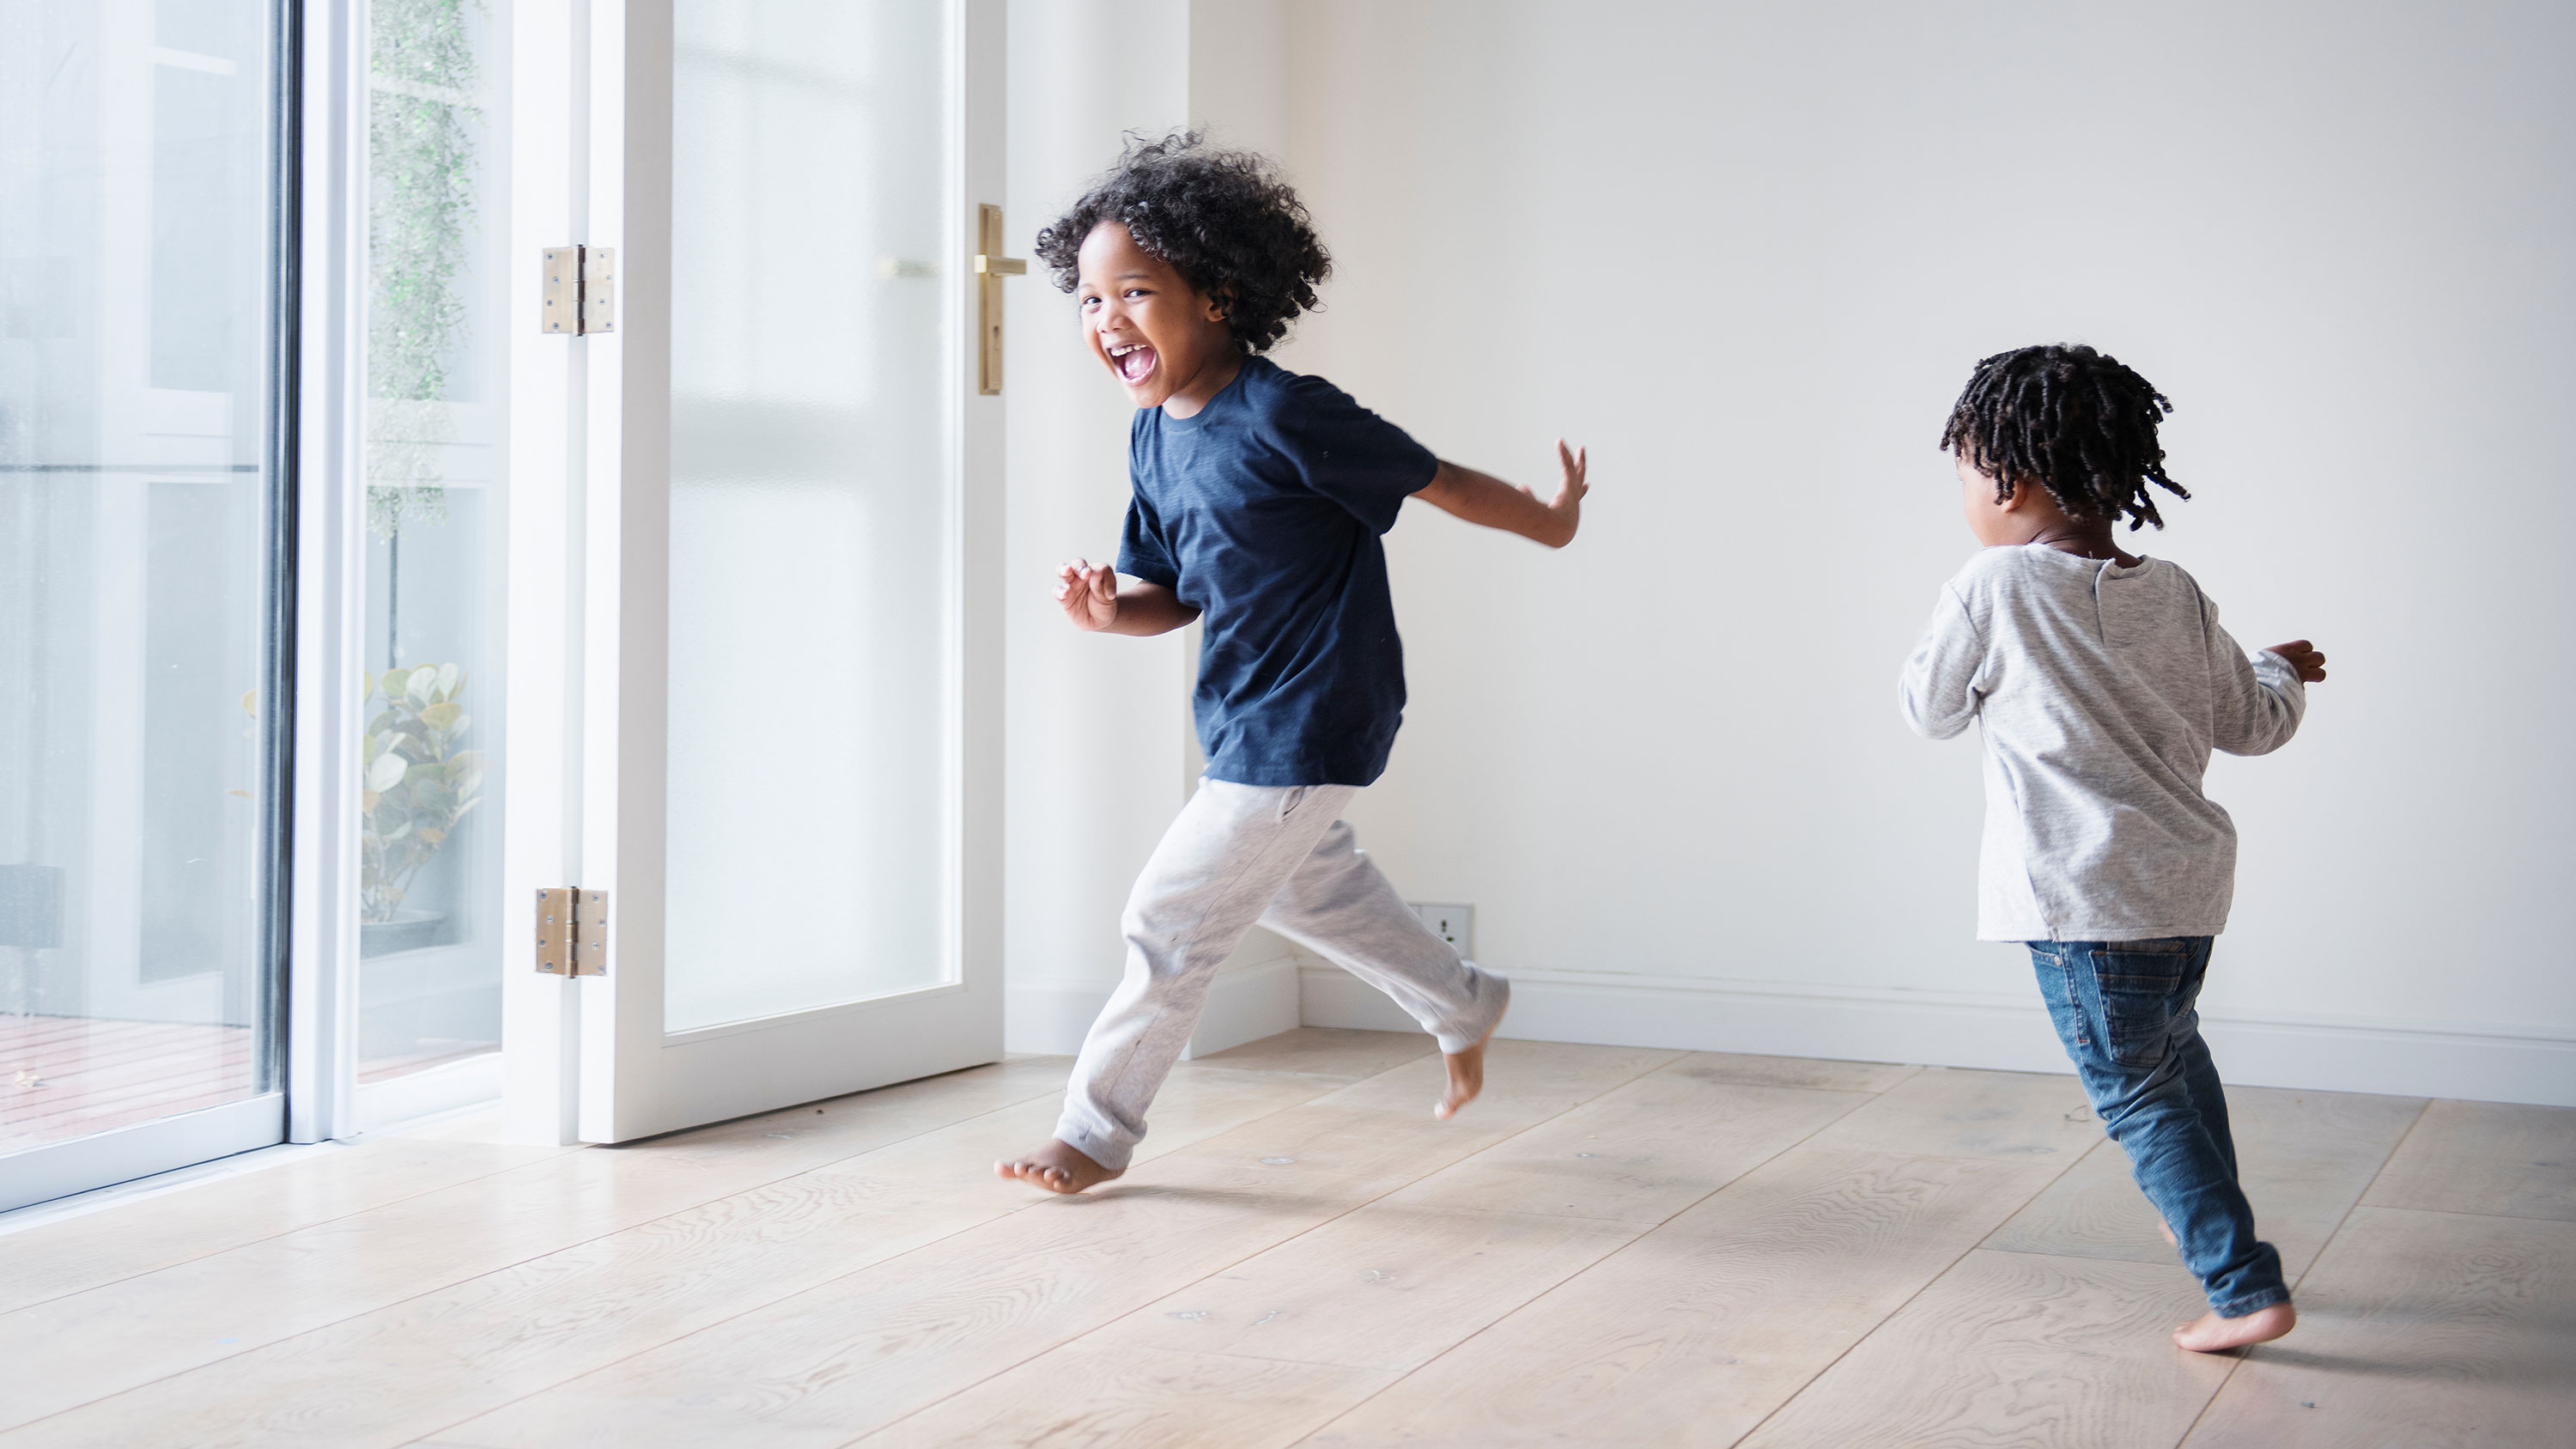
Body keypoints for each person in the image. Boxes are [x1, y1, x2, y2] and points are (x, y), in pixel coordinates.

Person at [996, 133, 1588, 1196]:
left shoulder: (1285, 412)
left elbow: (1434, 478)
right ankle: (1461, 1000)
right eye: (1088, 301)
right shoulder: (1151, 437)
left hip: (1317, 707)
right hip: (1242, 714)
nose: (1107, 320)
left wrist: (1547, 523)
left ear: (1218, 294)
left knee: (1167, 919)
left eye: (1134, 291)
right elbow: (1171, 595)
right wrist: (1104, 612)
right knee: (1308, 891)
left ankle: (1092, 1131)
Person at [1899, 344, 2326, 1353]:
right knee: (2177, 1062)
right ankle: (2244, 1261)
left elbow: (1931, 710)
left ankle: (2242, 1287)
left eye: (1964, 470)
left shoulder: (1990, 586)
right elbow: (2255, 723)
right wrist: (2281, 667)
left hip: (2080, 904)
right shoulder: (2174, 590)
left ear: (2015, 477)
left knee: (2136, 1095)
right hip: (2186, 895)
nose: (1963, 495)